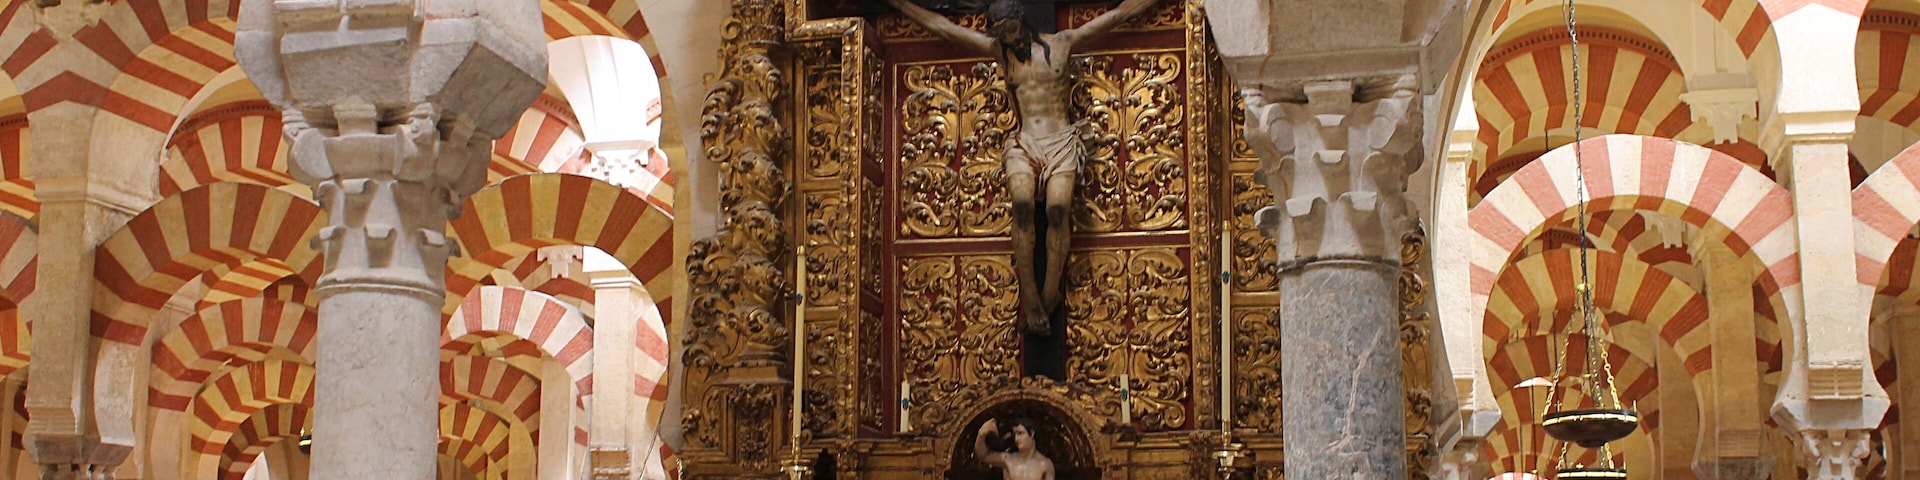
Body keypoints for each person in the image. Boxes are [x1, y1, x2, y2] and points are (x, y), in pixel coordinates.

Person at [885, 0, 1161, 378]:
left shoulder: (1062, 42)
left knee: (1058, 211)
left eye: (1010, 30)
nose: (1007, 39)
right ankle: (1030, 296)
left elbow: (1117, 16)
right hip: (1025, 141)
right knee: (1020, 205)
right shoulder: (998, 51)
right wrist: (899, 4)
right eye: (1000, 33)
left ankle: (1050, 295)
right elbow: (943, 28)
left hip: (1062, 140)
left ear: (1021, 22)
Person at [974, 418, 1054, 480]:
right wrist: (981, 435)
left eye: (1020, 433)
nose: (1016, 439)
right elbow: (983, 455)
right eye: (1015, 435)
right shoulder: (1008, 459)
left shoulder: (1045, 464)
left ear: (1032, 433)